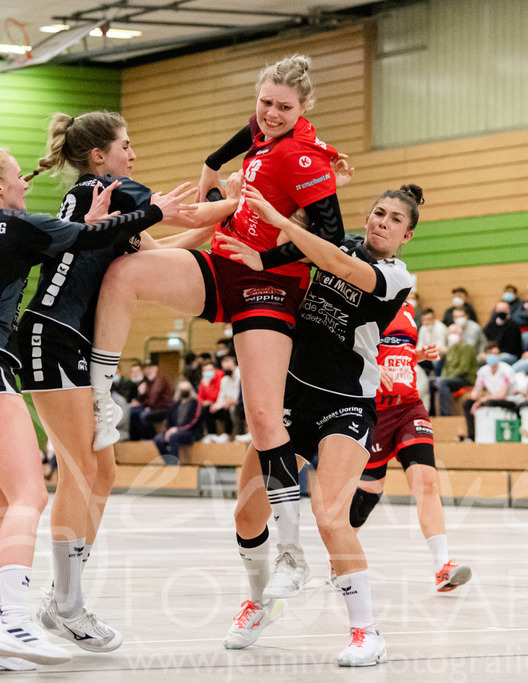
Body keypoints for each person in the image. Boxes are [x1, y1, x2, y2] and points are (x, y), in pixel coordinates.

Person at [0, 137, 184, 669]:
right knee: (27, 496)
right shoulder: (15, 225)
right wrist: (156, 211)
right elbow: (89, 242)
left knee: (3, 503)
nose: (24, 182)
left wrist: (90, 223)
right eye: (16, 176)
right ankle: (15, 622)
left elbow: (80, 238)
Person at [86, 60, 350, 591]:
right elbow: (246, 136)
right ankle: (100, 397)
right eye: (265, 102)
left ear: (304, 110)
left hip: (270, 286)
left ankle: (292, 553)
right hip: (223, 263)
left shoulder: (302, 155)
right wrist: (212, 163)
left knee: (263, 419)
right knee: (125, 272)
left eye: (284, 107)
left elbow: (333, 237)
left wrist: (264, 262)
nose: (270, 114)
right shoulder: (263, 132)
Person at [14, 109, 219, 654]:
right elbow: (179, 215)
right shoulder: (109, 187)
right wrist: (252, 197)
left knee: (100, 470)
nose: (134, 154)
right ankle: (67, 607)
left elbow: (167, 254)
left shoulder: (108, 208)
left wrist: (219, 222)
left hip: (69, 342)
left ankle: (64, 601)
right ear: (99, 157)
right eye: (126, 144)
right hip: (51, 334)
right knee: (79, 469)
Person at [218, 184, 421, 666]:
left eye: (394, 220)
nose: (382, 223)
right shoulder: (339, 241)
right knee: (246, 515)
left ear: (406, 236)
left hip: (346, 403)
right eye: (378, 212)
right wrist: (261, 254)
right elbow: (295, 249)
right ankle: (261, 601)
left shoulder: (395, 277)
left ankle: (366, 631)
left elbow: (336, 264)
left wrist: (283, 221)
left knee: (330, 515)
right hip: (290, 397)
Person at [349, 299, 472, 592]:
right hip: (373, 412)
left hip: (409, 407)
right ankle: (339, 546)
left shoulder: (408, 307)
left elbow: (394, 351)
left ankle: (442, 567)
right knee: (370, 491)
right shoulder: (360, 302)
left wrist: (413, 357)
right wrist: (371, 369)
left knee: (425, 482)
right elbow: (339, 354)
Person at [462, 341, 515, 441]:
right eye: (491, 354)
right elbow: (477, 390)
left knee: (488, 402)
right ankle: (472, 436)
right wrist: (475, 398)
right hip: (490, 398)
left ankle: (492, 435)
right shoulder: (483, 371)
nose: (494, 356)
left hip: (508, 399)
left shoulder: (506, 370)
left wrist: (481, 401)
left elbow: (502, 395)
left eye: (496, 354)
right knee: (468, 403)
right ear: (486, 355)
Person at [154, 380, 203, 465]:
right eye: (182, 389)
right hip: (175, 432)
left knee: (173, 437)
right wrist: (168, 431)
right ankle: (169, 461)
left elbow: (194, 421)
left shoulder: (196, 404)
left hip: (191, 432)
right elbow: (169, 422)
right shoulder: (175, 405)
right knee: (158, 439)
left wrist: (178, 429)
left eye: (186, 389)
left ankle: (174, 464)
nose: (184, 391)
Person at [434, 323, 478, 416]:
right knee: (432, 383)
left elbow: (463, 368)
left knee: (445, 383)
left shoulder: (467, 348)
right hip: (452, 379)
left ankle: (445, 415)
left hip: (466, 378)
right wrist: (444, 377)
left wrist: (446, 378)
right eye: (449, 333)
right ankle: (433, 415)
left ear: (460, 333)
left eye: (454, 332)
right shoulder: (451, 348)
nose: (451, 336)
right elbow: (446, 367)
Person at [129, 362, 174, 440]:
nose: (147, 370)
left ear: (155, 368)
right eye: (146, 368)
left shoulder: (159, 380)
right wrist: (141, 393)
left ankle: (149, 438)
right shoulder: (149, 381)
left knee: (144, 415)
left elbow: (154, 397)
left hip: (163, 408)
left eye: (149, 368)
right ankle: (136, 438)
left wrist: (147, 407)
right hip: (154, 407)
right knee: (133, 412)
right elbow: (144, 398)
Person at [482, 300, 522, 365]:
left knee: (494, 359)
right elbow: (485, 339)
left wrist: (494, 353)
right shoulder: (491, 324)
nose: (501, 312)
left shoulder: (513, 325)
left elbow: (512, 348)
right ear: (495, 311)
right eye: (499, 309)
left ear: (509, 311)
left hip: (509, 355)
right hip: (492, 353)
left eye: (504, 310)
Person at [197, 359, 227, 440]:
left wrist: (208, 386)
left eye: (209, 370)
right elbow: (199, 397)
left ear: (214, 369)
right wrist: (204, 402)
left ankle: (226, 435)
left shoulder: (221, 376)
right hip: (210, 406)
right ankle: (211, 434)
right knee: (204, 409)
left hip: (221, 404)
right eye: (205, 370)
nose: (207, 372)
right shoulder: (203, 380)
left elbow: (220, 394)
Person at [417, 308, 447, 376]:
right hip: (427, 354)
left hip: (439, 356)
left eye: (430, 319)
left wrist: (426, 351)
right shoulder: (423, 328)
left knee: (436, 359)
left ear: (434, 318)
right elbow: (420, 345)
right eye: (425, 320)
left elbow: (441, 347)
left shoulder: (440, 327)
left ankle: (437, 379)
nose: (427, 322)